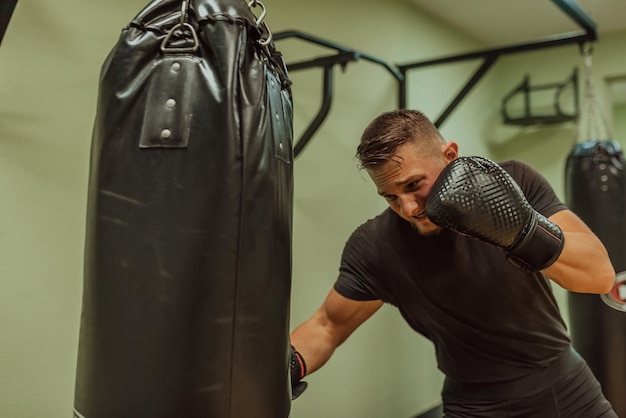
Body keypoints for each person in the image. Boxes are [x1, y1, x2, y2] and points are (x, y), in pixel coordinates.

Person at [289, 109, 618, 417]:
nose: (407, 208)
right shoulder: (375, 247)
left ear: (450, 156)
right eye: (390, 196)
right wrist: (279, 366)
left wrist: (521, 229)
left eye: (414, 185)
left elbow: (599, 277)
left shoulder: (514, 181)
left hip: (567, 389)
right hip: (474, 406)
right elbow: (327, 325)